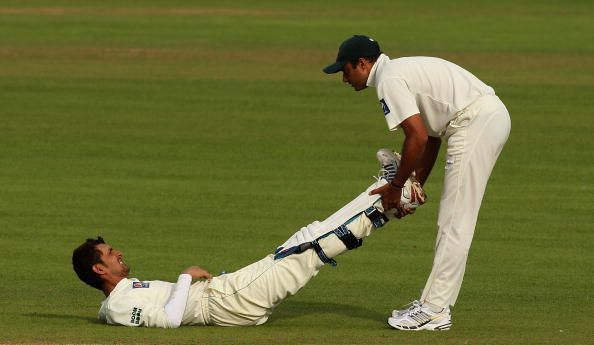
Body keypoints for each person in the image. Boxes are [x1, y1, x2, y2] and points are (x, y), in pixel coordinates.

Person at [72, 158, 431, 328]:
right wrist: (185, 277)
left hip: (226, 293)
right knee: (309, 250)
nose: (118, 253)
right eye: (109, 253)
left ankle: (387, 198)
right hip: (225, 302)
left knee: (307, 241)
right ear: (98, 269)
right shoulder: (117, 308)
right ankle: (391, 196)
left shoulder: (121, 297)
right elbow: (169, 320)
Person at [323, 35, 511, 331]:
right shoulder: (395, 72)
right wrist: (414, 186)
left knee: (454, 221)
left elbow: (417, 137)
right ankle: (432, 304)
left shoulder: (389, 79)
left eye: (344, 70)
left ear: (362, 63)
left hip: (475, 122)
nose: (343, 78)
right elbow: (431, 137)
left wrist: (397, 187)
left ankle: (435, 310)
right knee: (453, 220)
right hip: (479, 118)